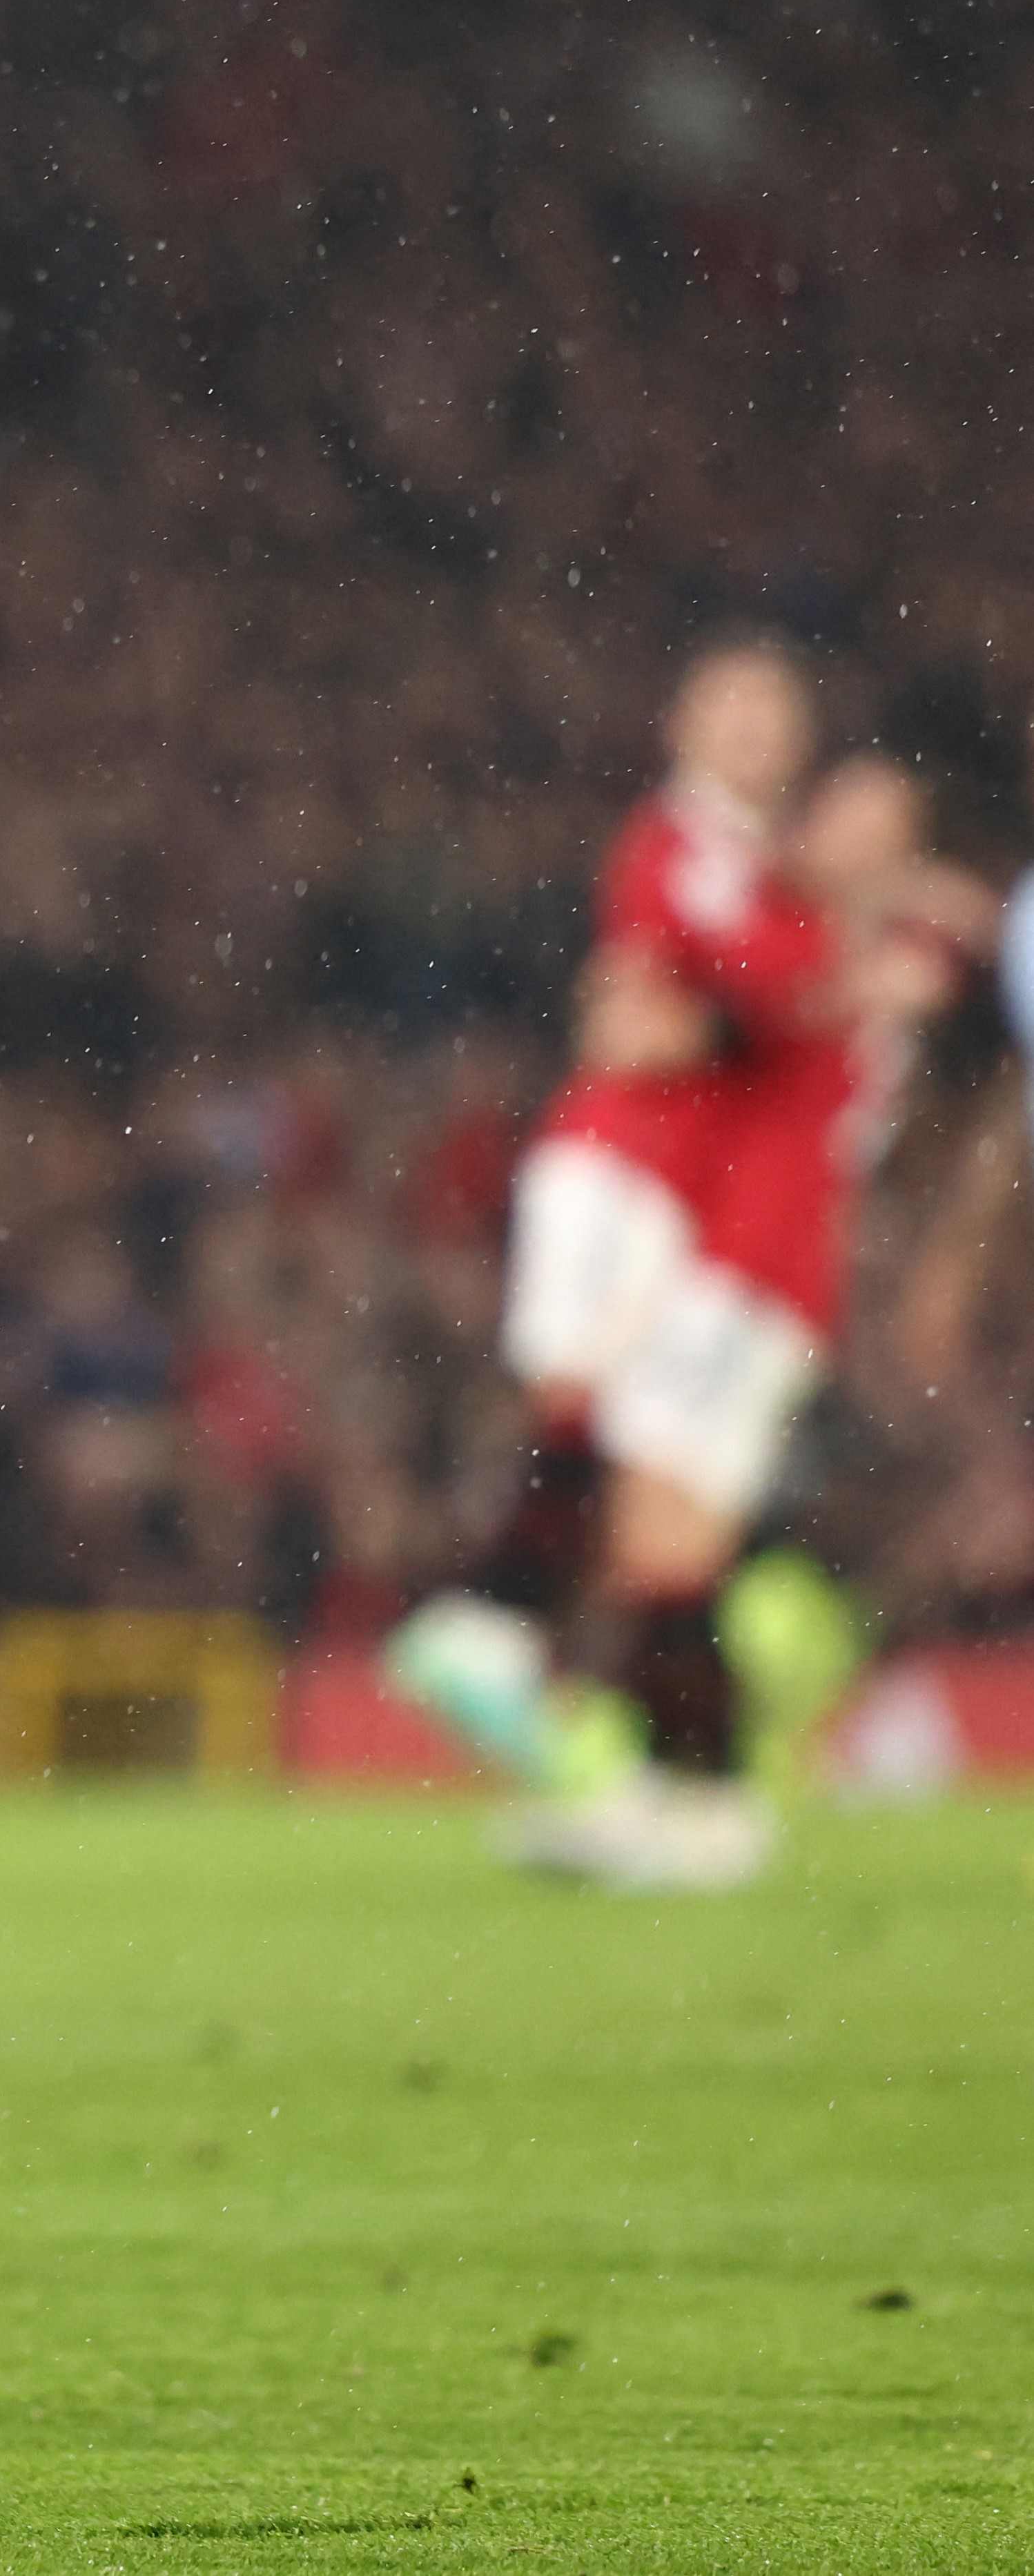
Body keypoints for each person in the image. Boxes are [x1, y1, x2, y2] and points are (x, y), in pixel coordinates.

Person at [389, 652, 974, 1889]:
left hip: (761, 1278)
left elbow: (747, 1002)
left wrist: (681, 1018)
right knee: (663, 1540)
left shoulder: (857, 953)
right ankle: (677, 1791)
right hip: (729, 1266)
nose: (842, 832)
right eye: (839, 810)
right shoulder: (817, 930)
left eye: (880, 825)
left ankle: (625, 1734)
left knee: (664, 1528)